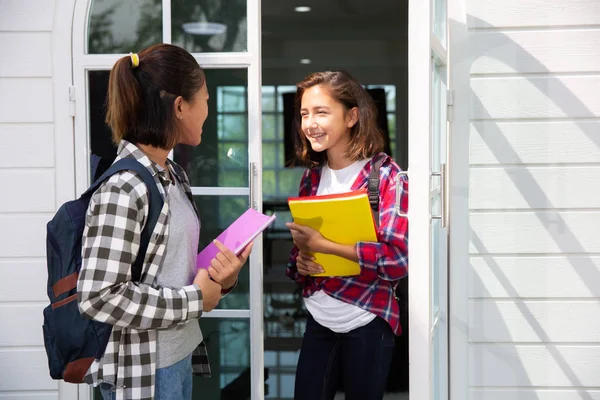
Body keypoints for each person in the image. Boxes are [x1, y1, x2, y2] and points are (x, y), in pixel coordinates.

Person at [77, 43, 253, 400]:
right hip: (145, 372)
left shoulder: (172, 175)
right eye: (205, 98)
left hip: (178, 355)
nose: (208, 109)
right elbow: (98, 297)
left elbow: (170, 269)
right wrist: (195, 300)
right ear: (179, 106)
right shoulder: (124, 187)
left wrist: (223, 278)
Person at [285, 70, 409, 400]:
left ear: (352, 116)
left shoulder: (386, 177)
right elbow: (299, 257)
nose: (310, 123)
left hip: (367, 319)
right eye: (304, 114)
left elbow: (398, 260)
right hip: (319, 317)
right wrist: (302, 262)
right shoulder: (311, 179)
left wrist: (327, 245)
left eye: (321, 112)